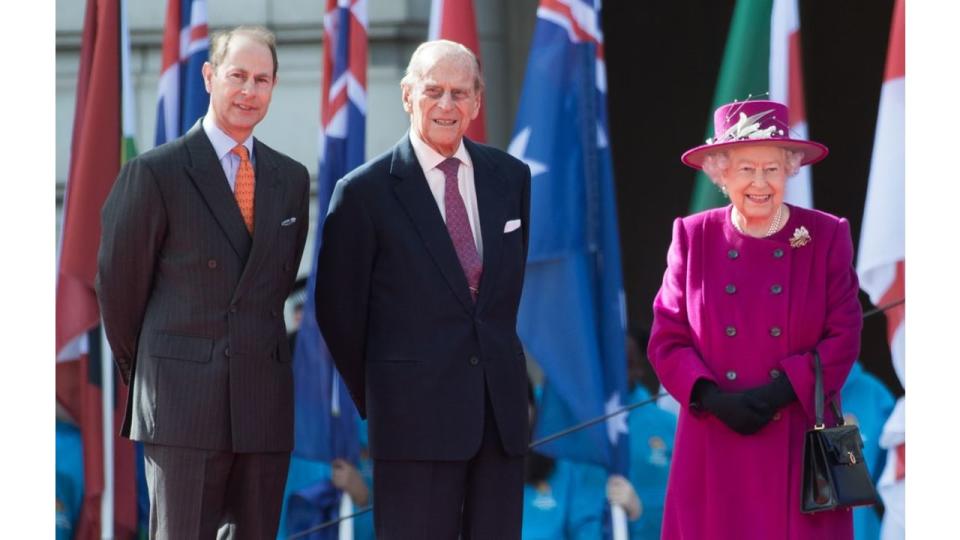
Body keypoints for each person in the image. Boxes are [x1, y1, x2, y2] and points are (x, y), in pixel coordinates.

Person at [96, 25, 310, 538]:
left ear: (274, 88)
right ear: (210, 77)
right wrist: (160, 371)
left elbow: (271, 291)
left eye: (262, 80)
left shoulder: (291, 179)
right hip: (181, 407)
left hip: (262, 406)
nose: (249, 91)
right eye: (238, 76)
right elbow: (118, 294)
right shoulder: (155, 173)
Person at [315, 39, 532, 538]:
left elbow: (500, 299)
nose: (447, 105)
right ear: (408, 95)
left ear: (477, 102)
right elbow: (338, 313)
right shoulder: (363, 193)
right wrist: (388, 390)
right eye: (434, 91)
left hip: (498, 419)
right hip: (411, 423)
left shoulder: (510, 178)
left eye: (460, 93)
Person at [647, 99, 862, 539]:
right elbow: (667, 337)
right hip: (713, 438)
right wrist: (710, 396)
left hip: (798, 439)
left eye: (772, 169)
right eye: (746, 169)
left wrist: (782, 390)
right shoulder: (693, 236)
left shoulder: (824, 234)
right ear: (721, 174)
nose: (760, 183)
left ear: (790, 170)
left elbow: (845, 332)